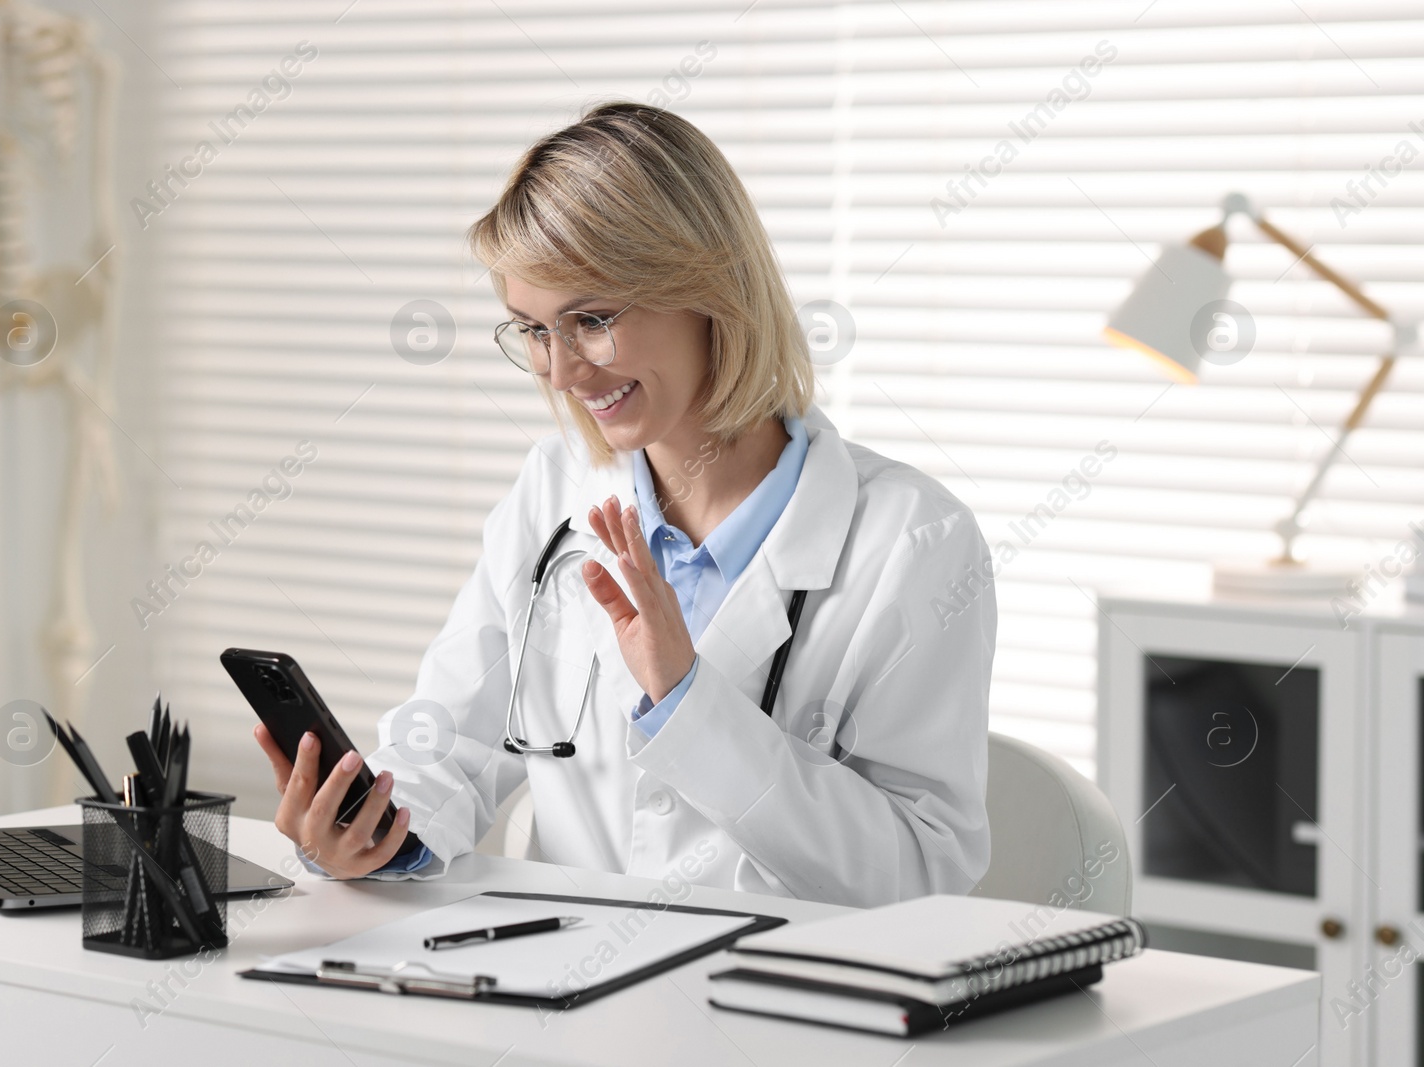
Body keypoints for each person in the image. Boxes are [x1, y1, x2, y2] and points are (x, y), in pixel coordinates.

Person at [254, 102, 995, 908]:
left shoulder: (914, 543)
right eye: (533, 330)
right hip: (556, 996)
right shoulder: (554, 489)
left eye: (593, 320)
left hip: (784, 1008)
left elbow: (923, 875)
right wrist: (374, 835)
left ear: (709, 286)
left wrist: (688, 700)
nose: (563, 372)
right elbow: (452, 744)